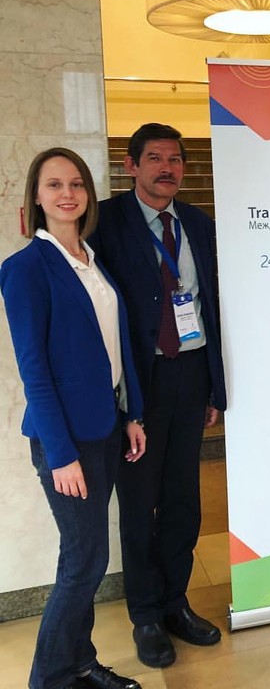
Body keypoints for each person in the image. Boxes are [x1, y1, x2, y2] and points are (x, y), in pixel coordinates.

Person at [1, 148, 145, 689]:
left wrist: (129, 414)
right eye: (54, 184)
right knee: (85, 561)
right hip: (66, 441)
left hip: (105, 428)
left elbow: (112, 348)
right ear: (37, 197)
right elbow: (34, 372)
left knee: (85, 557)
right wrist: (61, 455)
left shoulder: (90, 261)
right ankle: (48, 679)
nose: (68, 193)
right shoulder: (25, 269)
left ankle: (80, 665)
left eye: (77, 183)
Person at [88, 123, 227, 668]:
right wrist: (119, 398)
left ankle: (175, 602)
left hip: (191, 373)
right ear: (131, 165)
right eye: (154, 158)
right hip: (139, 381)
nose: (166, 169)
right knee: (138, 503)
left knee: (183, 500)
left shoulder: (198, 223)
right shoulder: (105, 222)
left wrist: (213, 384)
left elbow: (209, 303)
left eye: (175, 159)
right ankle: (145, 614)